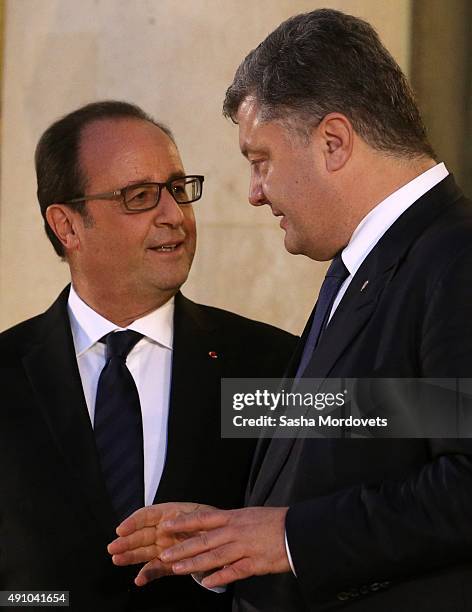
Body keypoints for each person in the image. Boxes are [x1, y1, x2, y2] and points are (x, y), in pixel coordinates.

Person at [108, 9, 472, 612]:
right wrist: (229, 537)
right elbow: (371, 450)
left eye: (261, 160)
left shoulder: (455, 258)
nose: (254, 192)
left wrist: (285, 536)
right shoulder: (356, 269)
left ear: (332, 142)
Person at [0, 100, 296, 611]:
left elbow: (412, 429)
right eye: (140, 197)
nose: (174, 216)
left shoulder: (268, 364)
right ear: (67, 226)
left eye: (179, 190)